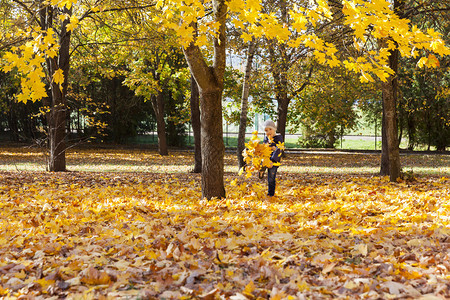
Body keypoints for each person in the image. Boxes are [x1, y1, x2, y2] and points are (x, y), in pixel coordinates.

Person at [262, 120, 283, 197]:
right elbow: (264, 148)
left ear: (274, 129)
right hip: (267, 159)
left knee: (271, 177)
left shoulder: (278, 138)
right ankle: (261, 169)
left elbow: (278, 150)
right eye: (266, 130)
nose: (268, 132)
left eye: (270, 129)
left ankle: (271, 193)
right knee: (268, 176)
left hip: (274, 161)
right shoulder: (266, 138)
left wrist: (272, 160)